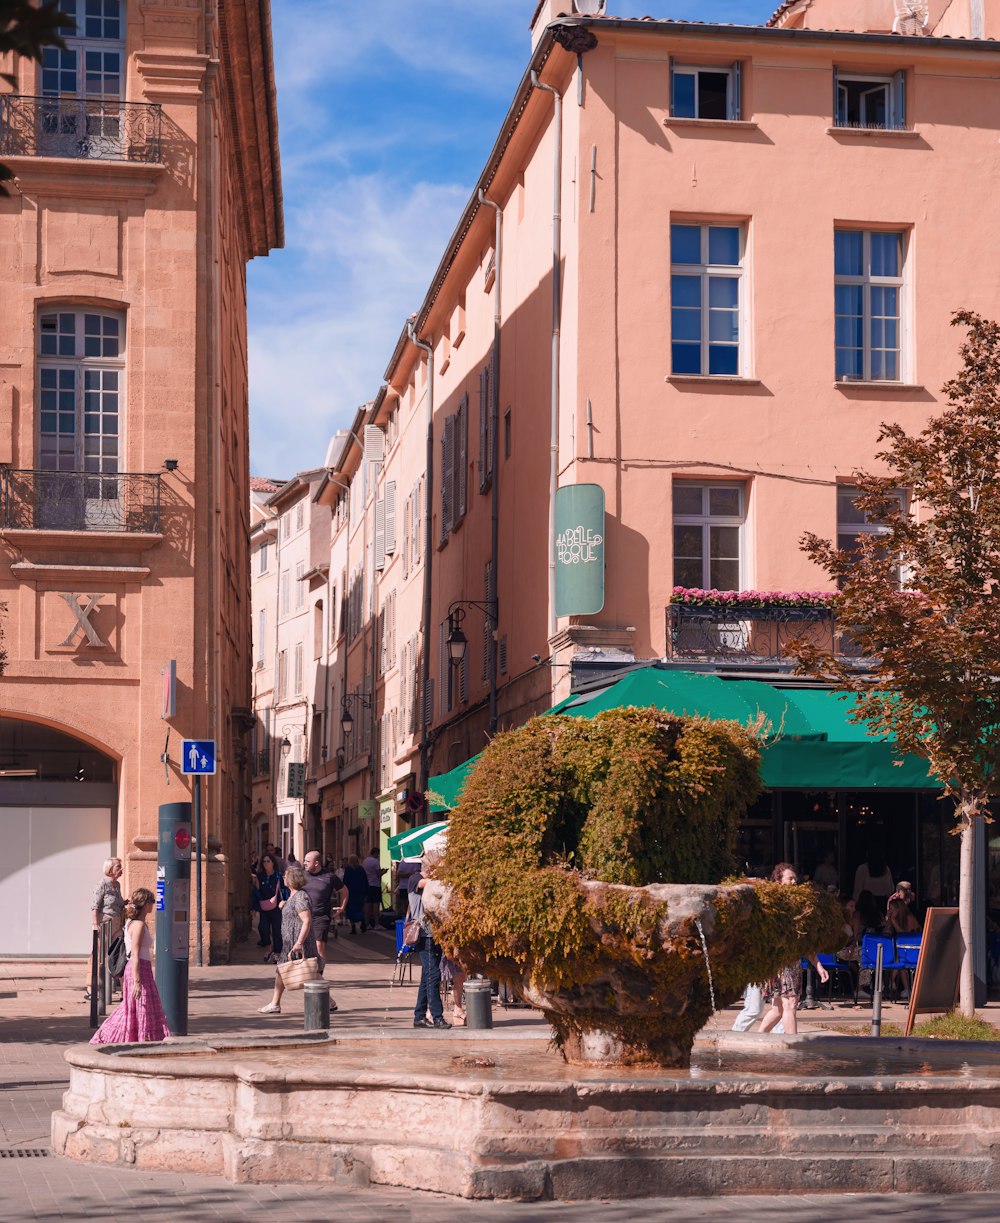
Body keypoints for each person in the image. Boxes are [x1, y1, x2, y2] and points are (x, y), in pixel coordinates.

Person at [91, 888, 170, 1045]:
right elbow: (134, 953)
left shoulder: (131, 923)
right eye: (151, 902)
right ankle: (106, 1035)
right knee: (140, 1006)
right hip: (139, 969)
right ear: (145, 904)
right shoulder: (139, 925)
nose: (153, 905)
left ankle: (139, 1039)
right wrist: (138, 980)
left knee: (135, 1007)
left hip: (139, 968)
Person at [758, 864, 829, 1036]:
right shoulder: (774, 906)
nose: (794, 881)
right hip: (781, 961)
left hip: (790, 961)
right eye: (790, 878)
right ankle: (793, 1049)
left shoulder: (796, 906)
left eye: (795, 878)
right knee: (790, 1004)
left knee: (779, 1009)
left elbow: (803, 940)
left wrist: (818, 965)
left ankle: (756, 1039)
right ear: (778, 881)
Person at [259, 866, 327, 1015]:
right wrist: (284, 905)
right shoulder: (292, 896)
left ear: (291, 879)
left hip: (297, 942)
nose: (283, 878)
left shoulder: (301, 896)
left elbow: (307, 921)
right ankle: (330, 1002)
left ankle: (275, 1004)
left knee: (285, 970)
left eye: (285, 876)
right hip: (291, 942)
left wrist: (299, 943)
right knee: (311, 972)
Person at [407, 859, 451, 1029]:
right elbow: (431, 884)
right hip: (425, 935)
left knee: (428, 975)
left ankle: (419, 1016)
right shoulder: (415, 879)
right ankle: (437, 1017)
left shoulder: (429, 881)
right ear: (431, 869)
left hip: (435, 935)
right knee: (433, 975)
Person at [85, 857, 125, 999]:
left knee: (119, 954)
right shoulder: (102, 884)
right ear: (110, 870)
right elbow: (94, 906)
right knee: (98, 955)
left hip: (117, 924)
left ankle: (120, 989)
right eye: (118, 867)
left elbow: (119, 903)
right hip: (105, 924)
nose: (121, 869)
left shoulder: (117, 885)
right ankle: (91, 987)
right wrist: (95, 925)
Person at [301, 850, 346, 963]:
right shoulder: (301, 876)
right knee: (304, 948)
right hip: (302, 916)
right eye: (304, 861)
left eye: (307, 861)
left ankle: (319, 974)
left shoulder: (329, 877)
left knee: (319, 946)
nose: (304, 863)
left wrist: (342, 907)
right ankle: (306, 974)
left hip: (320, 917)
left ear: (316, 863)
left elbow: (344, 890)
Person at [254, 854, 286, 961]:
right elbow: (256, 891)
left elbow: (283, 890)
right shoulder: (260, 876)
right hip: (264, 906)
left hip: (276, 907)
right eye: (264, 862)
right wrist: (255, 906)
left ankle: (277, 953)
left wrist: (284, 901)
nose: (266, 864)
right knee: (263, 928)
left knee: (277, 930)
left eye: (268, 861)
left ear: (273, 863)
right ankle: (269, 948)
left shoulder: (278, 875)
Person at [343, 855, 369, 935]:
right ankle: (363, 921)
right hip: (360, 892)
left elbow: (345, 881)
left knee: (350, 909)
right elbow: (365, 881)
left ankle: (353, 927)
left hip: (351, 892)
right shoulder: (361, 869)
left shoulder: (348, 869)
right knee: (359, 908)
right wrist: (366, 892)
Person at [362, 846, 385, 930]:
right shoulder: (375, 861)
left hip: (367, 885)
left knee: (367, 905)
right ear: (376, 853)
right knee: (376, 905)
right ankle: (376, 924)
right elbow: (378, 874)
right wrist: (384, 872)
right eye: (378, 854)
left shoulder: (365, 861)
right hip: (375, 884)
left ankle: (367, 923)